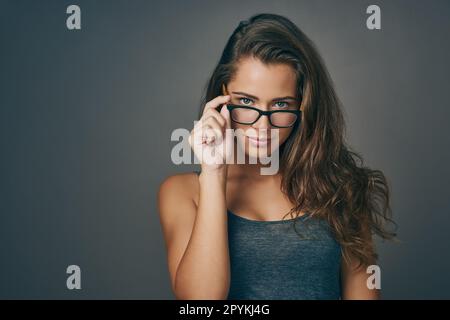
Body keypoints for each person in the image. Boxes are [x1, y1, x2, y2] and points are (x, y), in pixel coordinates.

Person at [158, 13, 396, 300]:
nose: (263, 126)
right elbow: (200, 303)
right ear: (223, 96)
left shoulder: (341, 187)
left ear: (303, 106)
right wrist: (213, 172)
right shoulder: (182, 192)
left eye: (281, 104)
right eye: (246, 101)